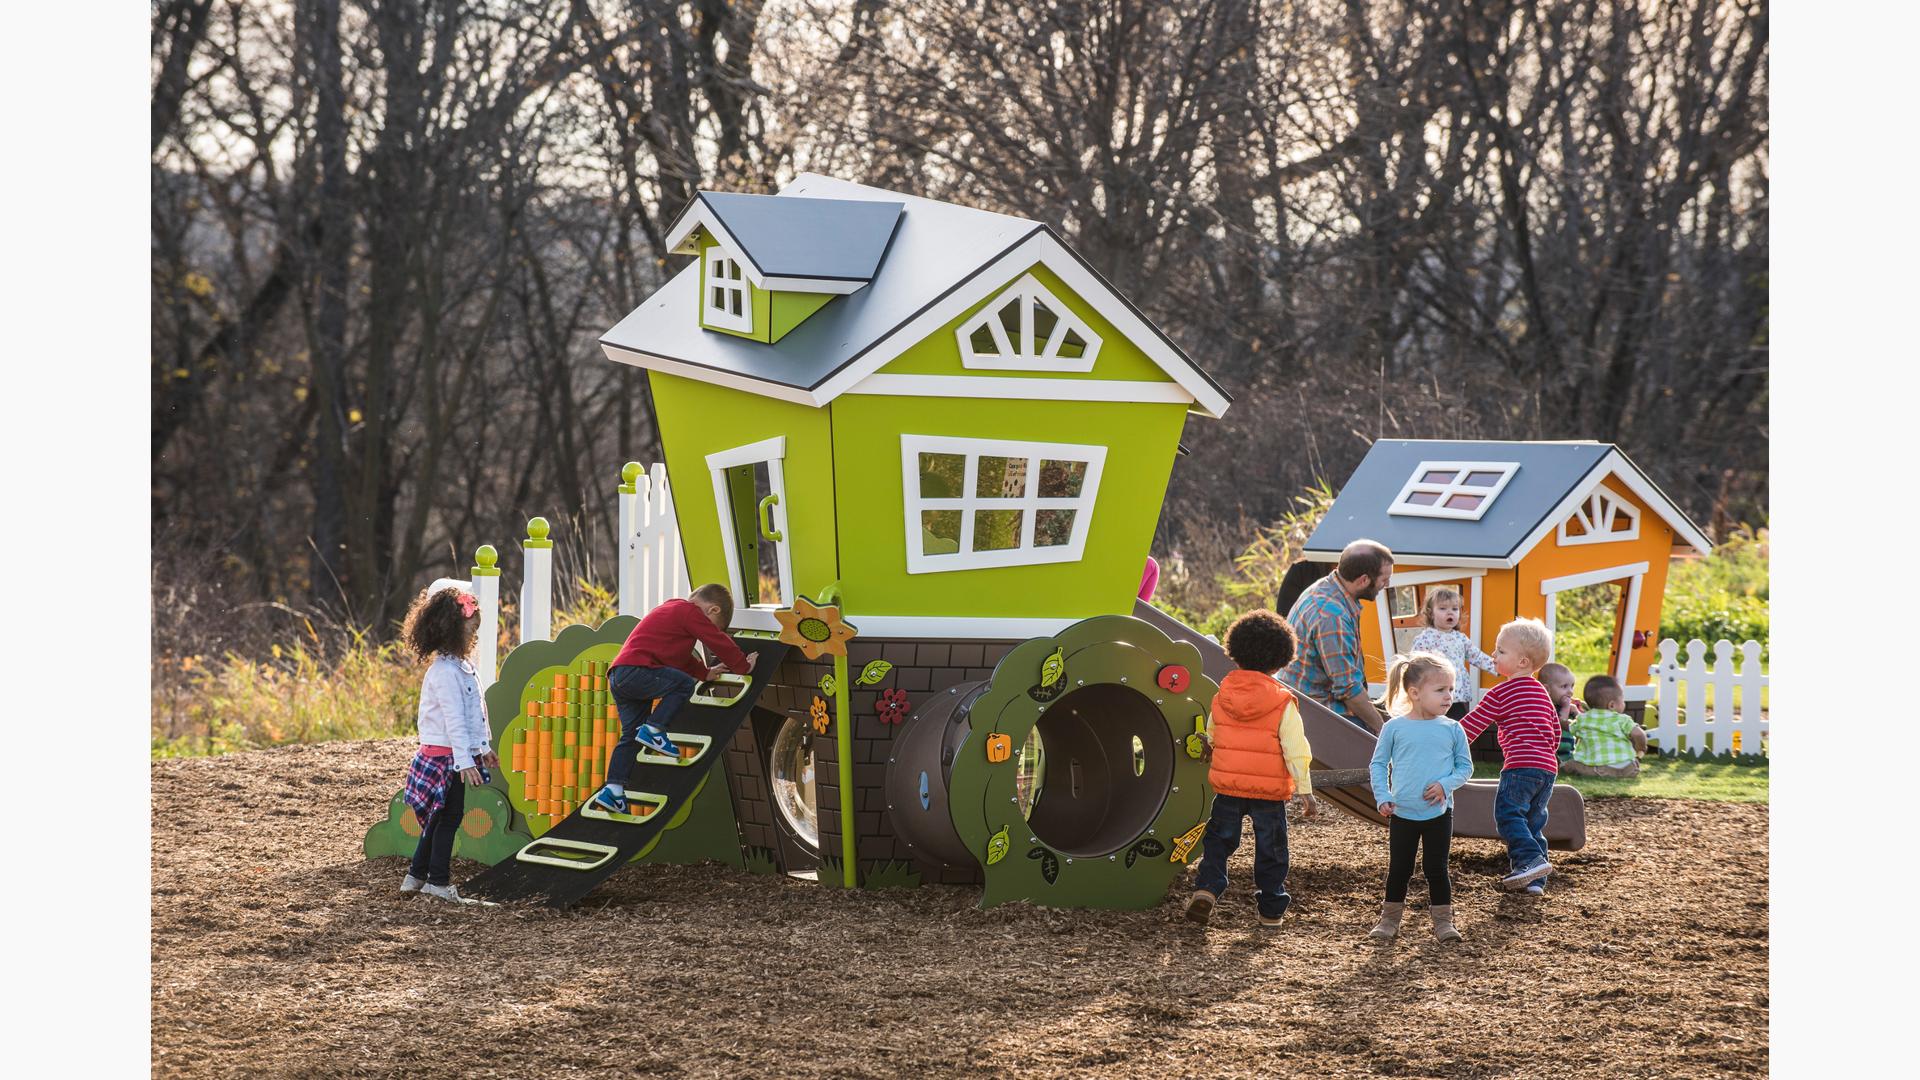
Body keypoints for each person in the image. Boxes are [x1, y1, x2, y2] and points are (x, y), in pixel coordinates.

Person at [1184, 610, 1319, 929]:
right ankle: (1270, 910)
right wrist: (1305, 789)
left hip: (1228, 787)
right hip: (1268, 793)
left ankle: (1207, 888)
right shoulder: (1282, 701)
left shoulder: (1223, 694)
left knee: (1218, 841)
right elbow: (1296, 748)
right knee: (1271, 849)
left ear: (1236, 651)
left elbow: (1213, 734)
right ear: (1281, 660)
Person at [588, 584, 757, 815]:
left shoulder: (672, 614)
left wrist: (705, 673)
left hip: (620, 676)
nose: (707, 633)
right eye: (712, 626)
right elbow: (716, 640)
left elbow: (679, 659)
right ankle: (655, 730)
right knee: (684, 685)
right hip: (637, 671)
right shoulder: (689, 611)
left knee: (631, 735)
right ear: (712, 610)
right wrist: (743, 666)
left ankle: (613, 791)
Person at [398, 586, 498, 903]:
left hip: (455, 754)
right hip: (445, 758)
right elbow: (454, 720)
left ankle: (416, 875)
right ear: (452, 632)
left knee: (440, 818)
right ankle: (437, 882)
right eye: (471, 632)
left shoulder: (462, 669)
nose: (474, 639)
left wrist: (482, 748)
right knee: (449, 818)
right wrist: (465, 762)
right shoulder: (443, 673)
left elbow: (474, 715)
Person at [1367, 651, 1474, 943]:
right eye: (1440, 690)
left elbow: (1465, 767)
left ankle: (1443, 922)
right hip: (1402, 813)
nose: (1448, 696)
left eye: (1451, 689)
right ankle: (1389, 920)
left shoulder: (1453, 728)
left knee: (1436, 868)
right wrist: (1383, 795)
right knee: (1399, 868)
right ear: (1414, 693)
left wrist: (1445, 785)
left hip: (1439, 813)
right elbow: (1378, 764)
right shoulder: (1394, 728)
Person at [1458, 618, 1561, 894]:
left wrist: (1447, 744)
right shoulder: (1541, 692)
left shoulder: (1501, 692)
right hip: (1547, 769)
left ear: (1523, 662)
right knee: (1533, 821)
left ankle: (1530, 860)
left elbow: (1472, 725)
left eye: (1501, 651)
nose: (1494, 655)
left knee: (1508, 815)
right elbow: (1555, 728)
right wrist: (1547, 756)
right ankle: (1534, 880)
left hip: (1520, 766)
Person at [1282, 540, 1394, 733]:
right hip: (1319, 713)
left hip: (1310, 698)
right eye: (1384, 580)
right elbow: (1348, 689)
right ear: (1364, 580)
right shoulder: (1332, 617)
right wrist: (1382, 730)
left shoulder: (1326, 587)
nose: (1387, 584)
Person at [1405, 587, 1497, 720]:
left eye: (1454, 609)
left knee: (1458, 724)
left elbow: (1477, 656)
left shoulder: (1460, 638)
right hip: (1435, 693)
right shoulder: (1425, 638)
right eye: (1442, 608)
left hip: (1457, 693)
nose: (1450, 613)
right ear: (1431, 613)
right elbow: (1414, 665)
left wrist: (1499, 667)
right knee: (1436, 724)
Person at [1564, 675, 1649, 777]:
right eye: (1622, 700)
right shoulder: (1623, 720)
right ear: (1612, 705)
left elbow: (1568, 727)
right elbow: (1639, 734)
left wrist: (1560, 720)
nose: (1624, 703)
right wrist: (1641, 749)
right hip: (1627, 767)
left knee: (1572, 765)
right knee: (1631, 765)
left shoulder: (1584, 719)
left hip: (1599, 768)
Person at [1538, 662, 1582, 761]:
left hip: (1568, 752)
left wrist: (1576, 712)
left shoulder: (1569, 707)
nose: (1570, 691)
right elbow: (1561, 722)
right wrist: (1566, 707)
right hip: (1552, 753)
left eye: (1572, 686)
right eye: (1564, 686)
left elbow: (1583, 724)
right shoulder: (1546, 708)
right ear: (1547, 689)